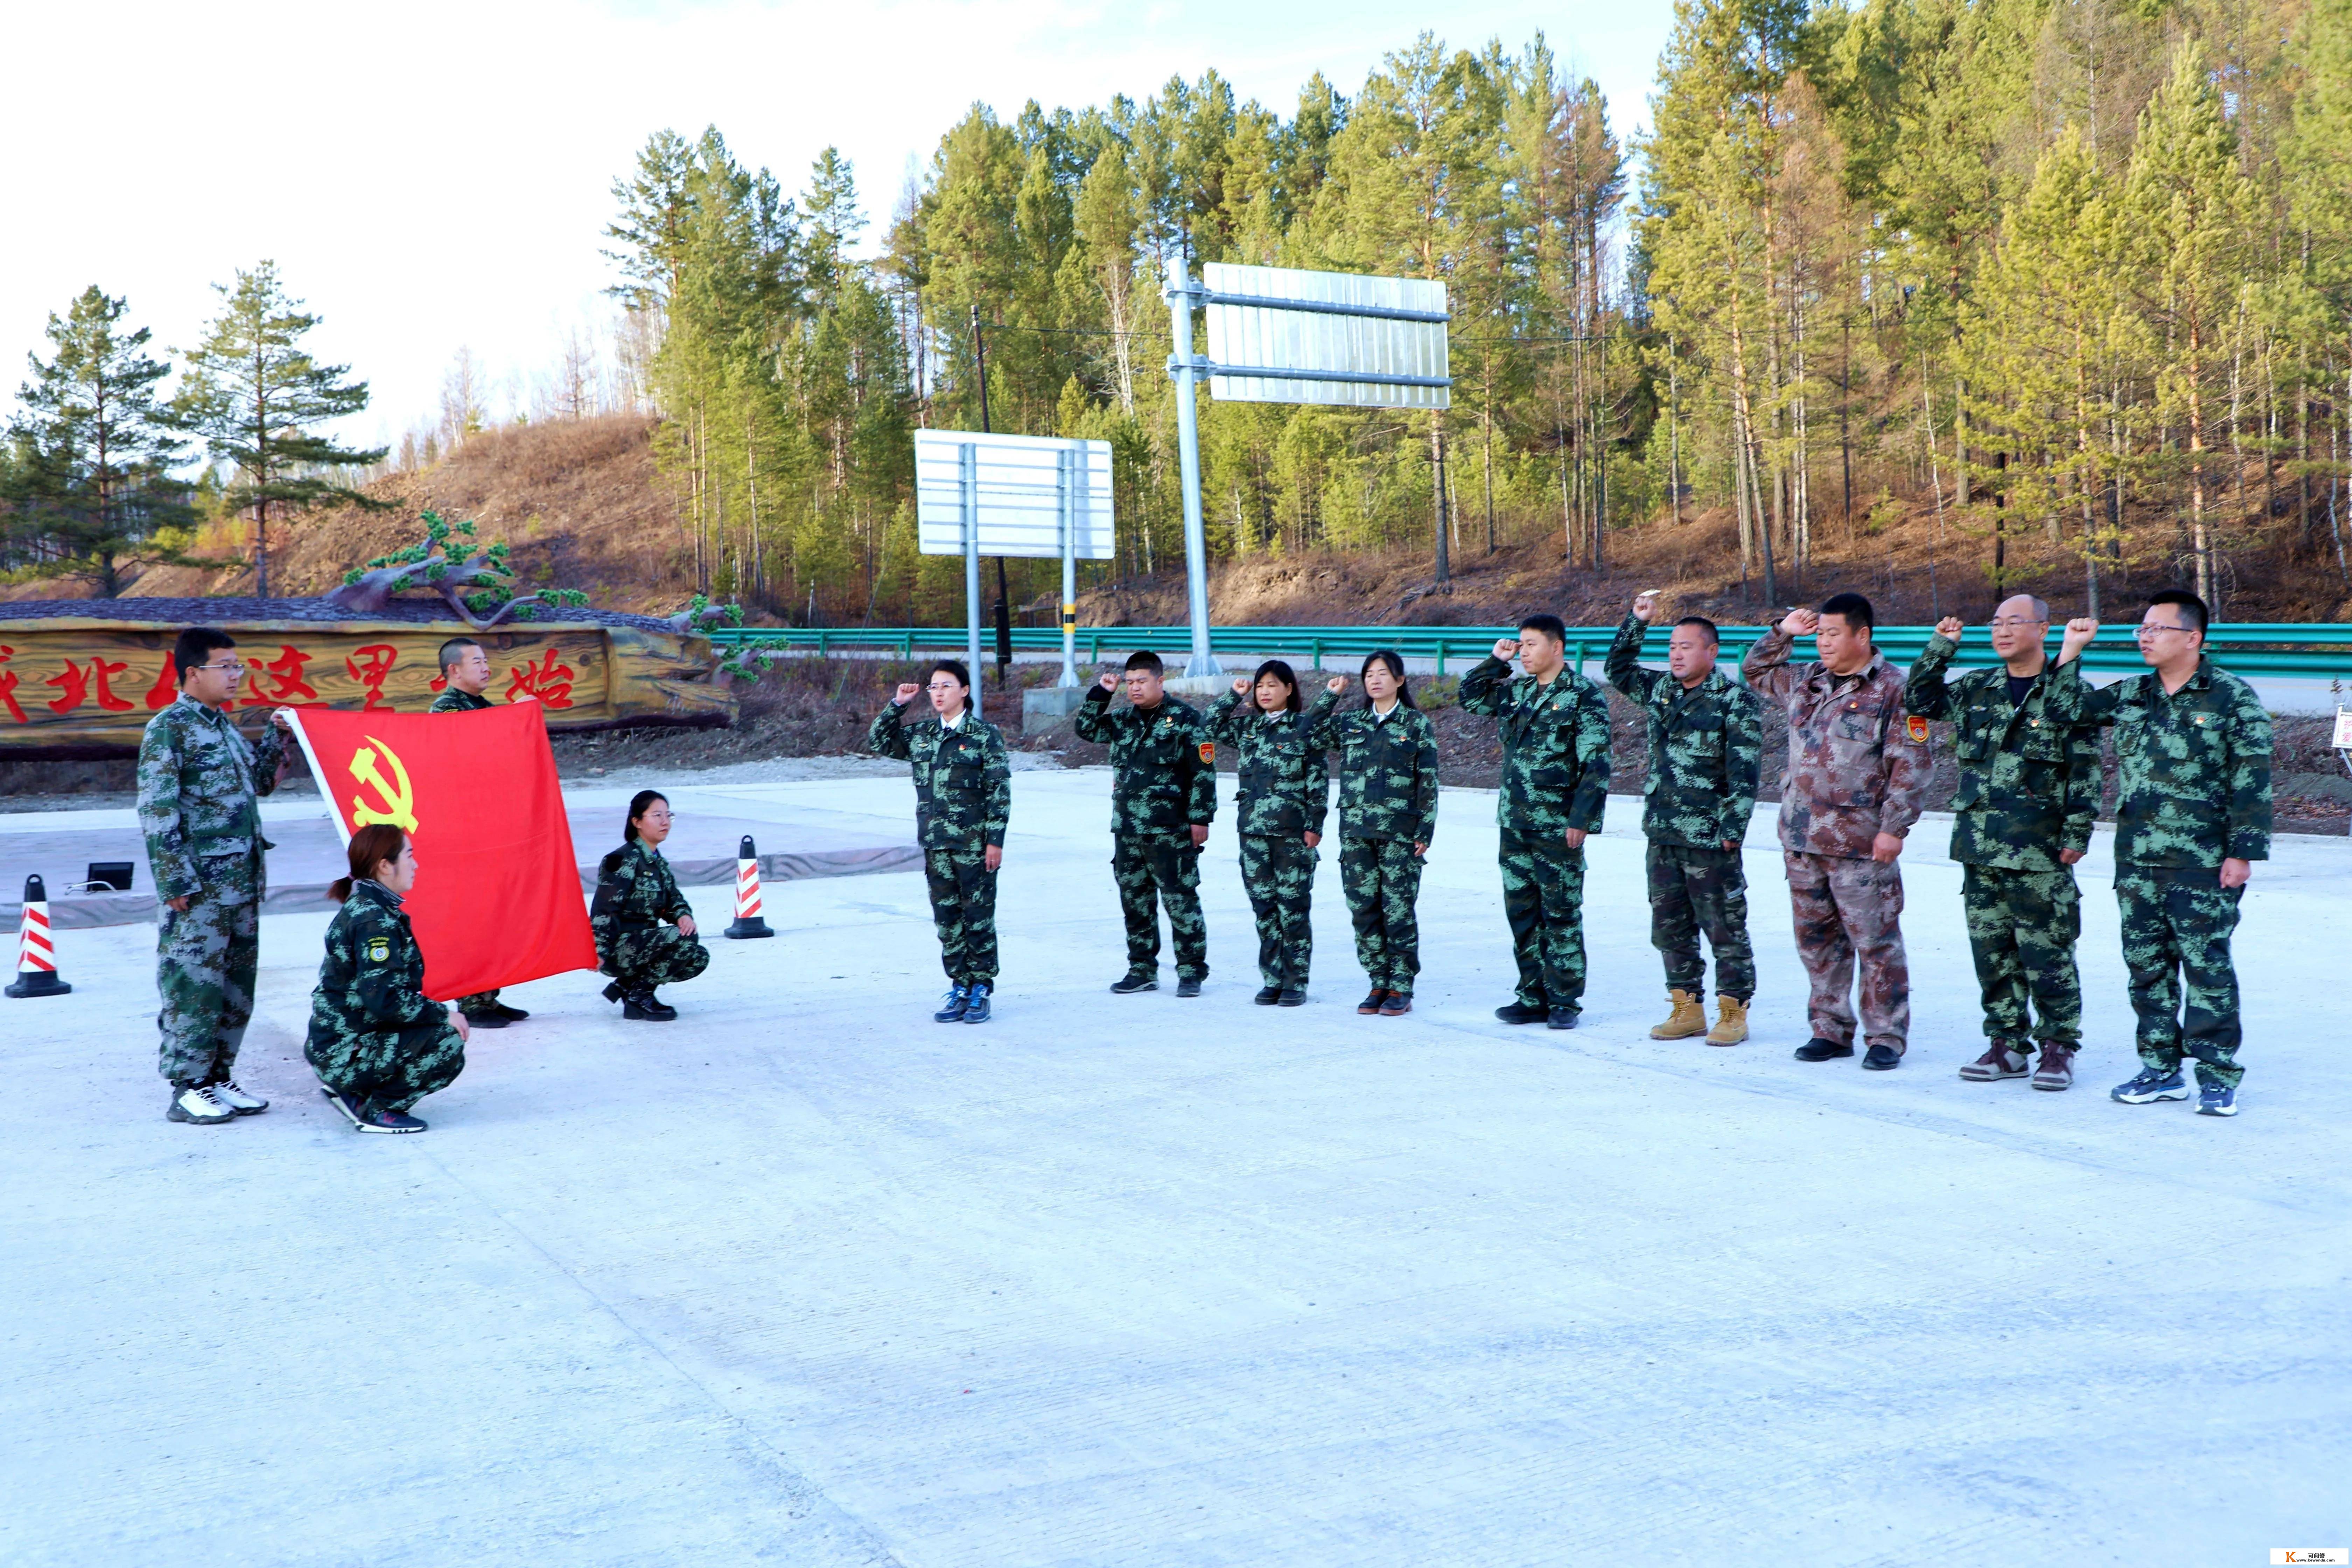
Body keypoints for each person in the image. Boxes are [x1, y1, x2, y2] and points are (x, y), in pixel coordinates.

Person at [2051, 592, 2272, 1116]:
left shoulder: (2232, 698)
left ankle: (2217, 1075)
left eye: (2157, 629)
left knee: (2207, 969)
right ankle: (2160, 1069)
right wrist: (2070, 651)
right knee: (2146, 970)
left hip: (2202, 861)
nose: (2144, 637)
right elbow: (2064, 709)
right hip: (2138, 861)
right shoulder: (2133, 695)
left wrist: (2243, 854)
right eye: (2141, 629)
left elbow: (2254, 782)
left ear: (2192, 638)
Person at [1904, 597, 2102, 1091]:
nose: (2003, 630)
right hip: (1980, 844)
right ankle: (2007, 1043)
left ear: (2044, 628)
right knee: (1991, 951)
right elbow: (1920, 701)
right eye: (1996, 623)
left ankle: (2058, 1046)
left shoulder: (2067, 692)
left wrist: (2078, 832)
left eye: (2016, 622)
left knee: (2048, 950)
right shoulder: (1977, 688)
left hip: (2040, 847)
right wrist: (1940, 649)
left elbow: (2086, 769)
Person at [1743, 592, 1931, 1070]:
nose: (1824, 643)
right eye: (1820, 633)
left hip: (1861, 843)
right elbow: (1755, 671)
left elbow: (1910, 764)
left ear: (1862, 636)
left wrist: (1895, 829)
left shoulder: (1894, 689)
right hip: (1802, 839)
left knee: (1876, 943)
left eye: (1833, 633)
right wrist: (1784, 632)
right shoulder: (1806, 681)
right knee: (1816, 943)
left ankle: (1885, 1035)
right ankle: (1830, 1029)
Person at [136, 627, 293, 1126]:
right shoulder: (170, 728)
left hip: (242, 883)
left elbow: (262, 784)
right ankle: (187, 1085)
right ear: (192, 674)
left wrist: (279, 733)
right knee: (193, 985)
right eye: (225, 666)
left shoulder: (223, 727)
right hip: (200, 888)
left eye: (237, 666)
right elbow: (157, 810)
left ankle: (219, 1076)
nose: (235, 675)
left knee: (235, 986)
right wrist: (175, 882)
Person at [1605, 593, 1763, 1046]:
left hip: (1710, 837)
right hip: (1664, 831)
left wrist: (1733, 830)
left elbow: (1745, 770)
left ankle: (1733, 1010)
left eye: (1686, 646)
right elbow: (1618, 670)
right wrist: (1637, 623)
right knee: (1669, 924)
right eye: (1672, 646)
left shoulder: (1733, 701)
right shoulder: (1661, 690)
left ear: (1711, 653)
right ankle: (1686, 1005)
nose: (1676, 654)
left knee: (1725, 925)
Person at [1460, 614, 1612, 1029]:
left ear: (1557, 647)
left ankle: (1564, 999)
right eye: (1520, 645)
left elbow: (1596, 763)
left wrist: (1582, 820)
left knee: (1561, 913)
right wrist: (1496, 661)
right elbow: (1471, 697)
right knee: (1522, 912)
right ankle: (1532, 995)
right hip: (1515, 821)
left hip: (1557, 825)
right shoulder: (1518, 691)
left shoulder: (1583, 695)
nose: (1523, 651)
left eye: (1530, 644)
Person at [867, 659, 1012, 1023]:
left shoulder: (983, 734)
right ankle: (960, 985)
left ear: (964, 691)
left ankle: (981, 988)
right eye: (933, 687)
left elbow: (999, 790)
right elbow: (878, 740)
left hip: (975, 844)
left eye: (946, 686)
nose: (938, 693)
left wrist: (995, 840)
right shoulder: (921, 735)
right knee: (947, 918)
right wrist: (898, 706)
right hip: (936, 844)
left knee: (977, 916)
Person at [306, 825, 469, 1134]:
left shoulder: (372, 907)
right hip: (344, 1052)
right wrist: (445, 1013)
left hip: (341, 1043)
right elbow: (386, 1001)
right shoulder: (375, 922)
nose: (416, 864)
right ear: (385, 866)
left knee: (433, 1024)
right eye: (409, 856)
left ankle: (353, 1091)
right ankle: (377, 1109)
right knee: (446, 1041)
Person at [1075, 651, 1219, 996]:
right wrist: (1101, 694)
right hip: (1128, 829)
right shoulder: (1123, 719)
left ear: (1160, 681)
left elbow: (1203, 773)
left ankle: (1191, 972)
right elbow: (1086, 729)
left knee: (1180, 901)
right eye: (1130, 682)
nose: (1135, 688)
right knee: (1135, 902)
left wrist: (1201, 818)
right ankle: (1142, 969)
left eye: (1142, 681)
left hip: (1170, 828)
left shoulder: (1186, 718)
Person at [1311, 651, 1440, 1016]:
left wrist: (1425, 830)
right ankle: (1378, 981)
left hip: (1400, 834)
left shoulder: (1415, 724)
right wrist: (1329, 697)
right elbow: (1306, 734)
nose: (1375, 680)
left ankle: (1401, 985)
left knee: (1398, 910)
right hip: (1356, 833)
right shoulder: (1351, 722)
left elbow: (1427, 781)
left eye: (1383, 674)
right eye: (1369, 674)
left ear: (1400, 680)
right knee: (1364, 910)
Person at [1207, 660, 1331, 1006]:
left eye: (1273, 685)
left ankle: (1296, 982)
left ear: (1289, 690)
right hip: (1252, 834)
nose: (1264, 691)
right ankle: (1273, 978)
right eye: (1261, 685)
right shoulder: (1248, 728)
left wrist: (1315, 826)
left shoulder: (1305, 728)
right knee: (1264, 909)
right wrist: (1234, 695)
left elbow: (1317, 782)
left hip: (1293, 835)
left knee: (1293, 909)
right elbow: (1210, 724)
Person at [429, 636, 536, 1030]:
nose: (486, 667)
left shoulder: (480, 705)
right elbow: (469, 753)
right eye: (477, 661)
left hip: (489, 826)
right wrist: (515, 717)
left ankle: (490, 993)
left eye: (487, 660)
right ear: (453, 670)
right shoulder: (446, 709)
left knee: (496, 912)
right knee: (474, 915)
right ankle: (472, 998)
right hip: (465, 831)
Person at [591, 790, 710, 1021]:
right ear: (637, 822)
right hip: (619, 949)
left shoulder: (657, 861)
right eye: (657, 815)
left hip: (644, 945)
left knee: (698, 957)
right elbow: (605, 911)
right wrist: (600, 951)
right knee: (684, 939)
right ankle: (640, 997)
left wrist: (683, 915)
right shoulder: (622, 860)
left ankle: (629, 987)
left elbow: (673, 898)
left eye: (668, 815)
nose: (665, 822)